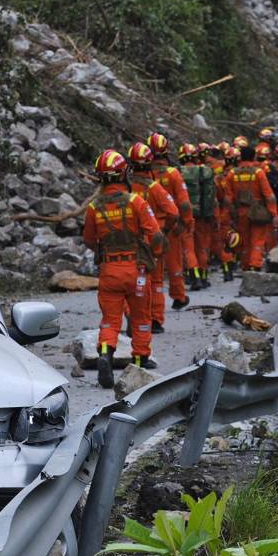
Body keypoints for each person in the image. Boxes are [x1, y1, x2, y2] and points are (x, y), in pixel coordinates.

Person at [83, 150, 165, 388]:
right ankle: (139, 361)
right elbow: (156, 234)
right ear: (123, 174)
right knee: (140, 317)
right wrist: (153, 255)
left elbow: (89, 239)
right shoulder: (136, 202)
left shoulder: (94, 207)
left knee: (110, 319)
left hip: (109, 270)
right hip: (135, 269)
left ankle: (106, 354)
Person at [126, 143, 181, 335]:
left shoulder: (125, 187)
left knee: (131, 282)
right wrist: (166, 228)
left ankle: (132, 316)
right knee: (155, 281)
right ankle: (155, 321)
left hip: (129, 242)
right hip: (152, 239)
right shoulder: (154, 188)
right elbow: (174, 211)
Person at [143, 133, 194, 310]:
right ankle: (178, 296)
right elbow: (184, 202)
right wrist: (187, 222)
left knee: (153, 267)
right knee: (174, 262)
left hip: (149, 227)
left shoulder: (144, 176)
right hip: (171, 225)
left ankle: (147, 300)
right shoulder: (173, 174)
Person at [226, 146, 277, 270]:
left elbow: (228, 198)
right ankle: (255, 265)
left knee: (244, 240)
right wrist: (273, 213)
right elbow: (269, 196)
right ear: (254, 157)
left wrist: (231, 214)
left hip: (240, 211)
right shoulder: (258, 172)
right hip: (257, 211)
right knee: (258, 240)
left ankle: (245, 266)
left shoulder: (232, 173)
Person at [178, 143, 216, 291]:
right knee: (202, 246)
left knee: (188, 247)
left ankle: (193, 276)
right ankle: (203, 276)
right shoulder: (205, 171)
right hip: (202, 215)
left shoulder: (177, 172)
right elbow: (212, 194)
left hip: (185, 215)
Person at [216, 146, 240, 280]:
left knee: (225, 241)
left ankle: (227, 268)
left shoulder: (219, 178)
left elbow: (217, 196)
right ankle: (234, 262)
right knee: (238, 238)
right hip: (237, 211)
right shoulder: (238, 174)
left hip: (223, 211)